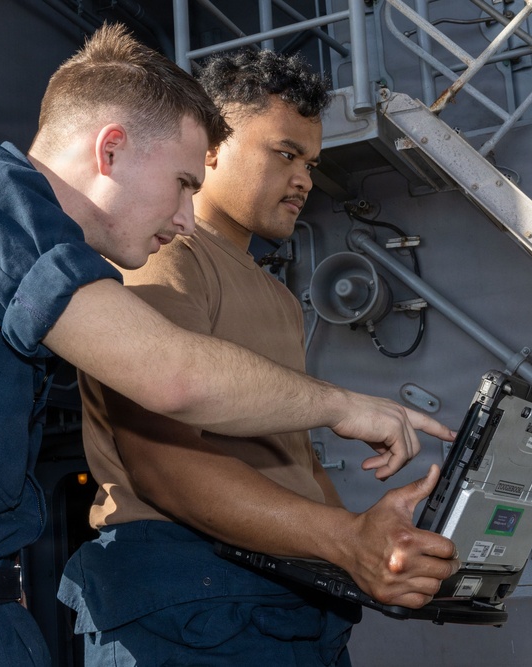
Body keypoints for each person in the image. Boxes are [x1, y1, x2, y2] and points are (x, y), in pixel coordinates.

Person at [0, 24, 454, 667]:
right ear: (111, 149)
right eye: (183, 184)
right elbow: (171, 376)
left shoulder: (39, 261)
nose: (186, 219)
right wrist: (344, 405)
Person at [58, 49, 461, 666]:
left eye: (311, 163)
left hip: (286, 594)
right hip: (193, 596)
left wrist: (376, 546)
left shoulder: (277, 296)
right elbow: (163, 466)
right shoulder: (162, 257)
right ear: (210, 149)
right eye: (285, 153)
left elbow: (292, 461)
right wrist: (345, 539)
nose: (304, 179)